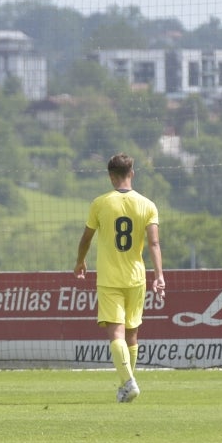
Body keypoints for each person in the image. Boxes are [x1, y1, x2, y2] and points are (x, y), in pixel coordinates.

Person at [75, 153, 165, 403]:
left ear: (111, 177)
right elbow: (154, 243)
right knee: (131, 334)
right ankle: (126, 384)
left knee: (116, 335)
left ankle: (128, 382)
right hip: (136, 278)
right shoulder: (147, 205)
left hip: (109, 278)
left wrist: (80, 261)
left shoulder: (100, 203)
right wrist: (159, 276)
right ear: (132, 173)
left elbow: (86, 238)